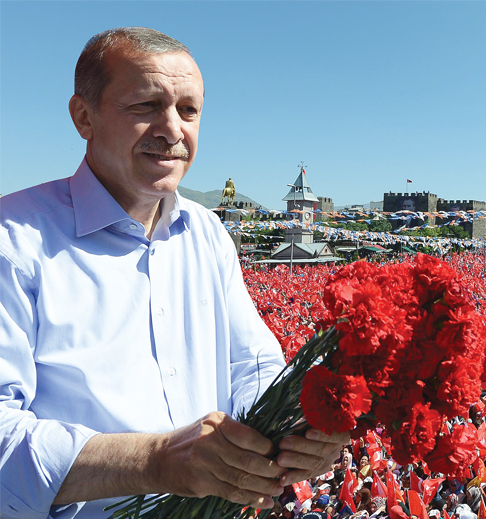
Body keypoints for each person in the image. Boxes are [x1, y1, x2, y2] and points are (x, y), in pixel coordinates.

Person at [0, 27, 349, 518]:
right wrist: (153, 462)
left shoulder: (208, 234)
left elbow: (250, 368)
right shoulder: (12, 240)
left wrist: (302, 429)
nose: (172, 130)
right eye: (145, 106)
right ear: (84, 116)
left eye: (188, 110)